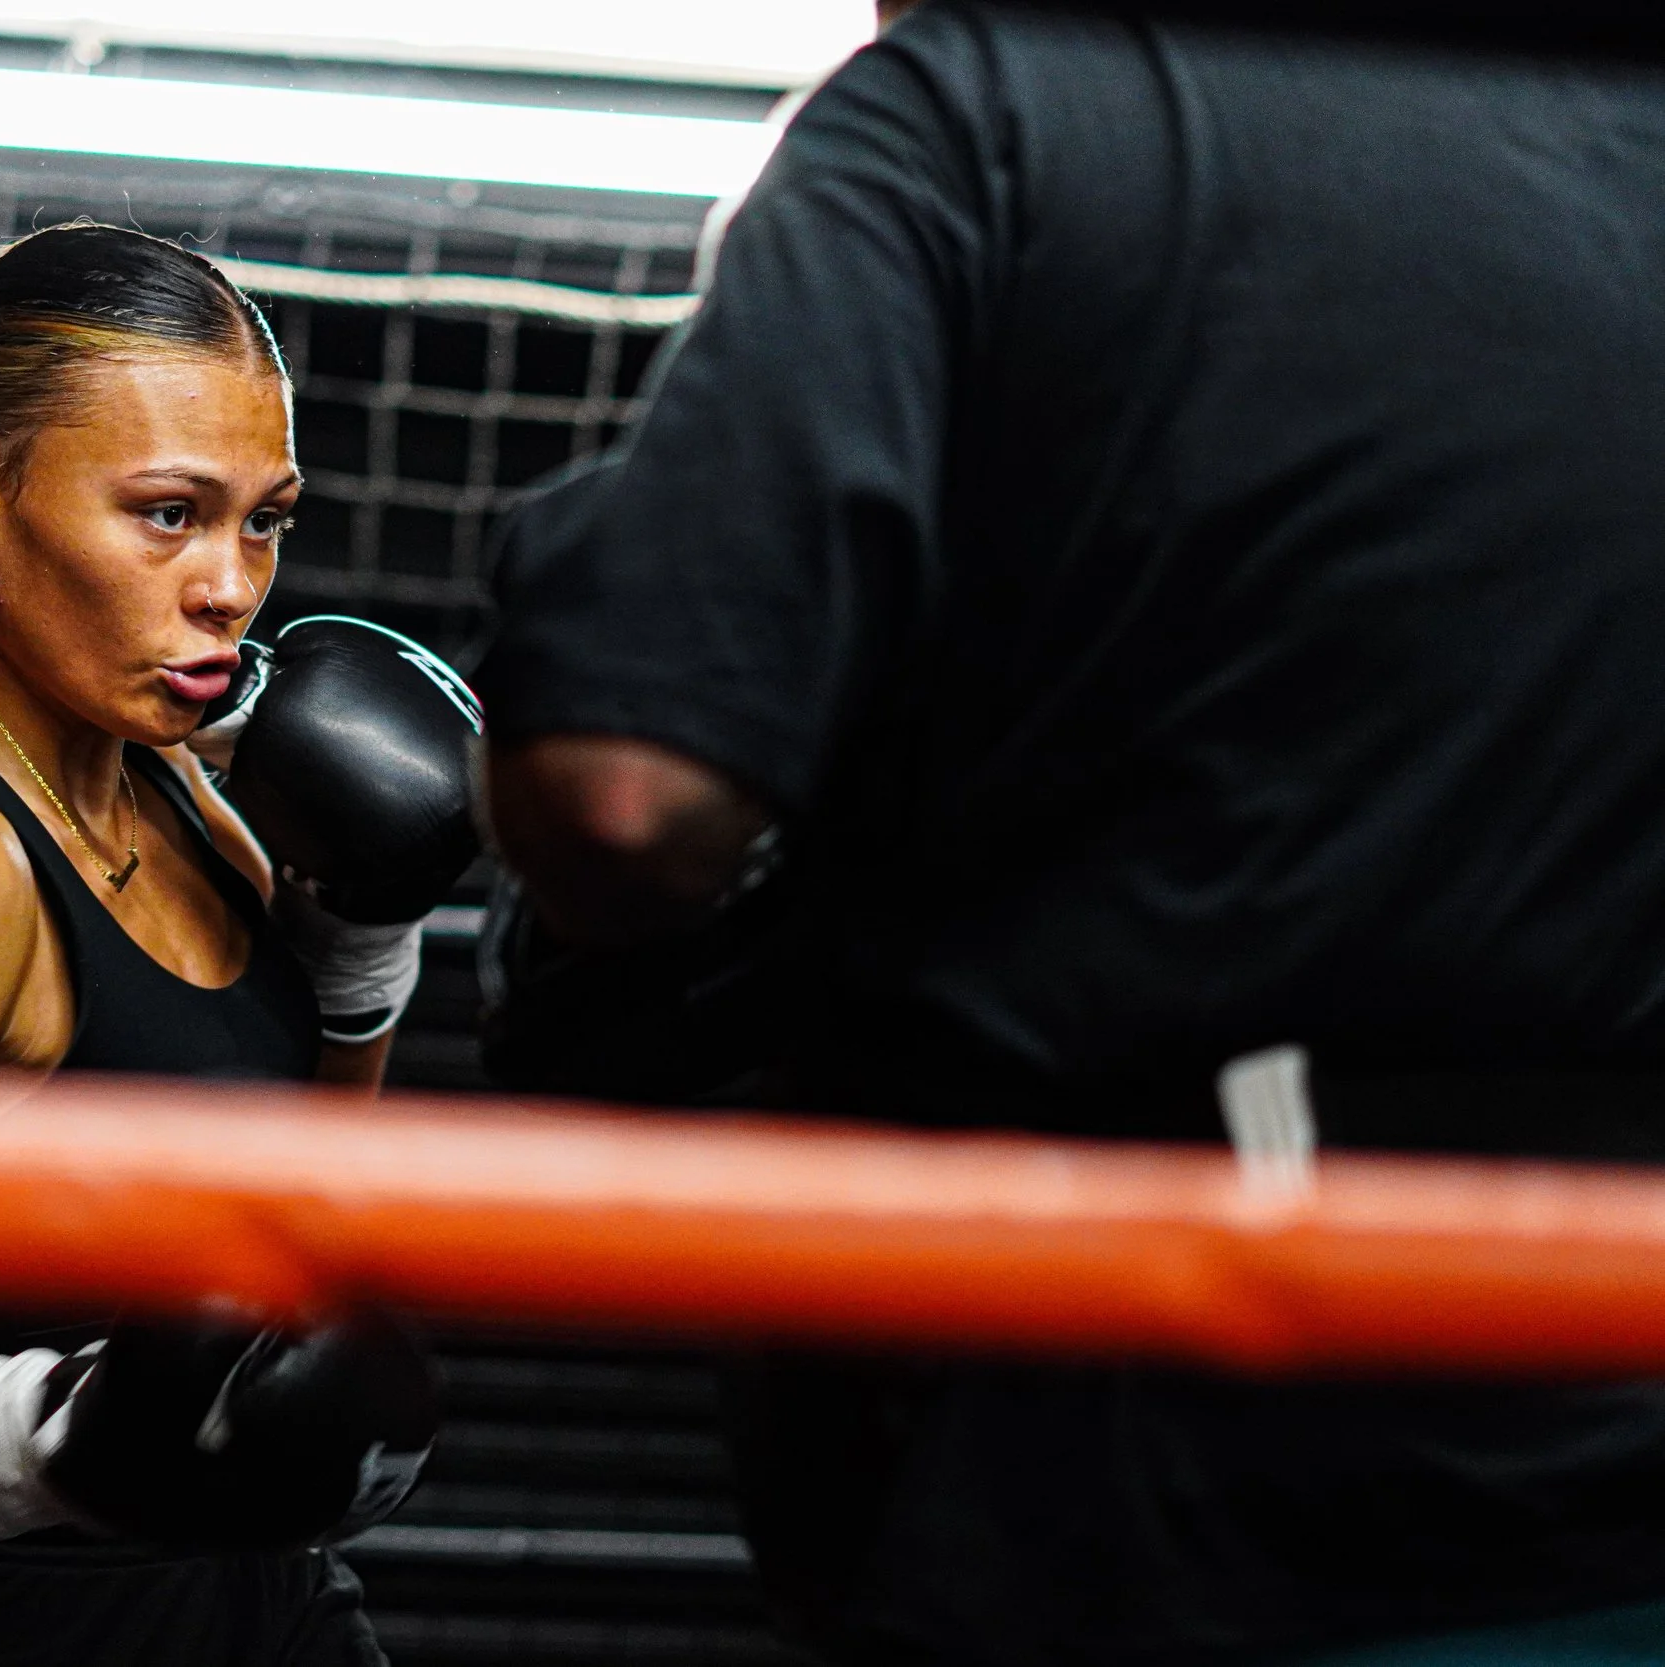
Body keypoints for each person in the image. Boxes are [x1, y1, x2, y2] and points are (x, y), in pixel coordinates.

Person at [476, 3, 1665, 1664]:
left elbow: (632, 803)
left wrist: (594, 588)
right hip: (1610, 1440)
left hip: (1153, 1469)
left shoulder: (986, 110)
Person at [0, 223, 474, 1666]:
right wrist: (61, 1433)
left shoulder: (174, 776)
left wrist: (362, 940)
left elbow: (296, 1215)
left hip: (261, 1605)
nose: (232, 586)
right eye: (167, 514)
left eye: (264, 520)